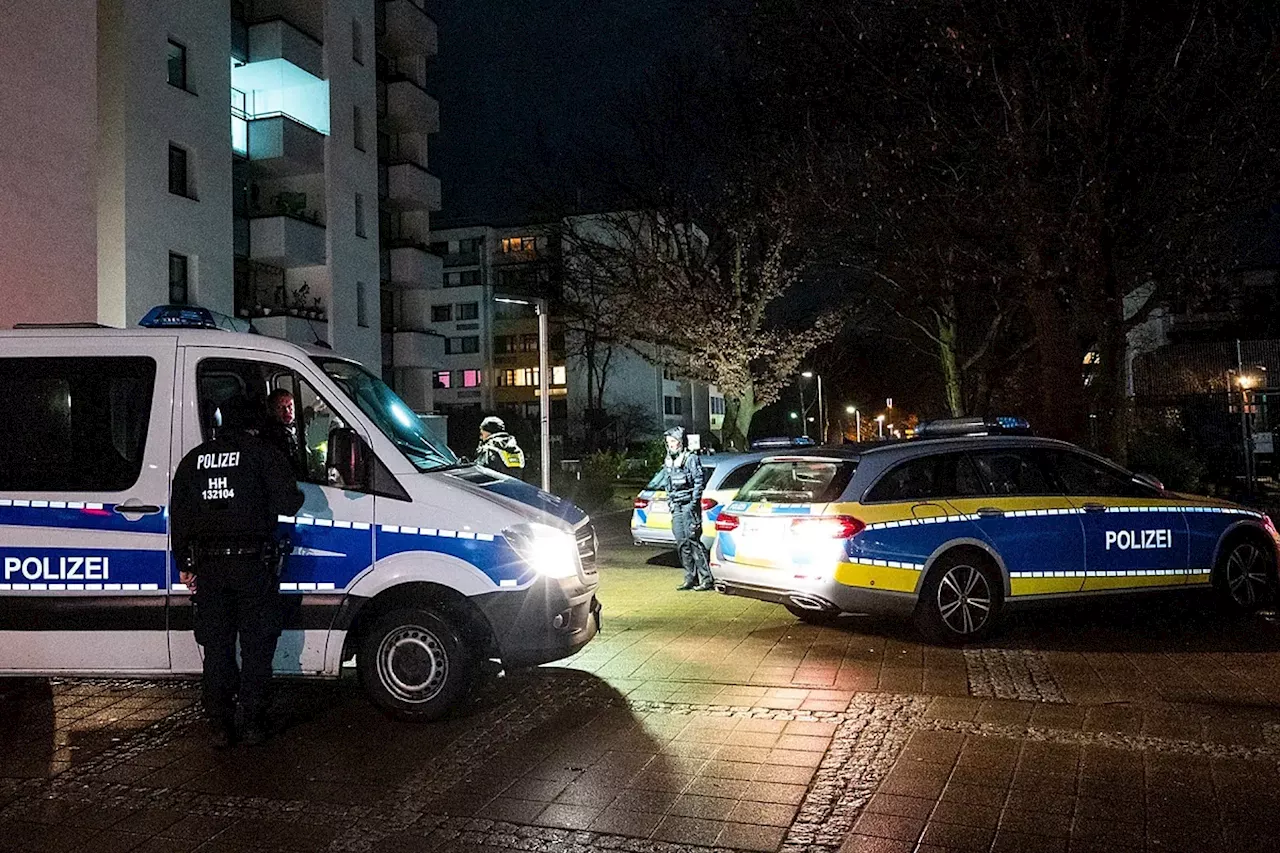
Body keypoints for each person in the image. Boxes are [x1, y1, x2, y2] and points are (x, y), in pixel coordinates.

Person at [170, 395, 305, 748]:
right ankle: (253, 723)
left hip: (210, 569)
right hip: (252, 566)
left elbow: (180, 518)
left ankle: (219, 725)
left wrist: (184, 564)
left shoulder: (194, 461)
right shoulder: (262, 454)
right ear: (254, 422)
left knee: (217, 648)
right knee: (257, 646)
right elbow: (288, 502)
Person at [658, 426, 713, 591]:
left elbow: (698, 481)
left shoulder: (690, 458)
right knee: (682, 542)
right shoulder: (669, 460)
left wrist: (693, 503)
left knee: (693, 540)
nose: (671, 444)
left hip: (689, 505)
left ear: (680, 442)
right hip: (677, 506)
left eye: (673, 441)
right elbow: (667, 483)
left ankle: (706, 578)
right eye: (669, 442)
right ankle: (690, 578)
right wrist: (671, 502)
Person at [264, 388, 307, 479]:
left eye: (290, 406)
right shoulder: (270, 436)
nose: (287, 411)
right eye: (280, 407)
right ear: (272, 411)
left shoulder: (297, 427)